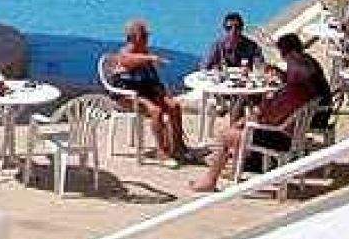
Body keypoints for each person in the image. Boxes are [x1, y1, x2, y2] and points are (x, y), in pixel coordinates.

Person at [192, 34, 330, 192]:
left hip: (280, 137)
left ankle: (210, 180)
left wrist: (256, 115)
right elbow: (277, 111)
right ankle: (236, 166)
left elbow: (271, 118)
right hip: (289, 134)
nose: (286, 64)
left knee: (225, 135)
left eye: (286, 59)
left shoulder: (294, 90)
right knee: (240, 124)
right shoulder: (304, 83)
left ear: (291, 55)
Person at [113, 19, 189, 165]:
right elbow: (127, 60)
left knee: (174, 106)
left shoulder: (144, 53)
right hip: (127, 95)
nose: (147, 38)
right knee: (155, 111)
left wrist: (161, 93)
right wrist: (150, 58)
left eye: (147, 35)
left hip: (146, 93)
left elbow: (153, 79)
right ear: (133, 38)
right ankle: (161, 151)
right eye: (143, 36)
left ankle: (178, 146)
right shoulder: (125, 52)